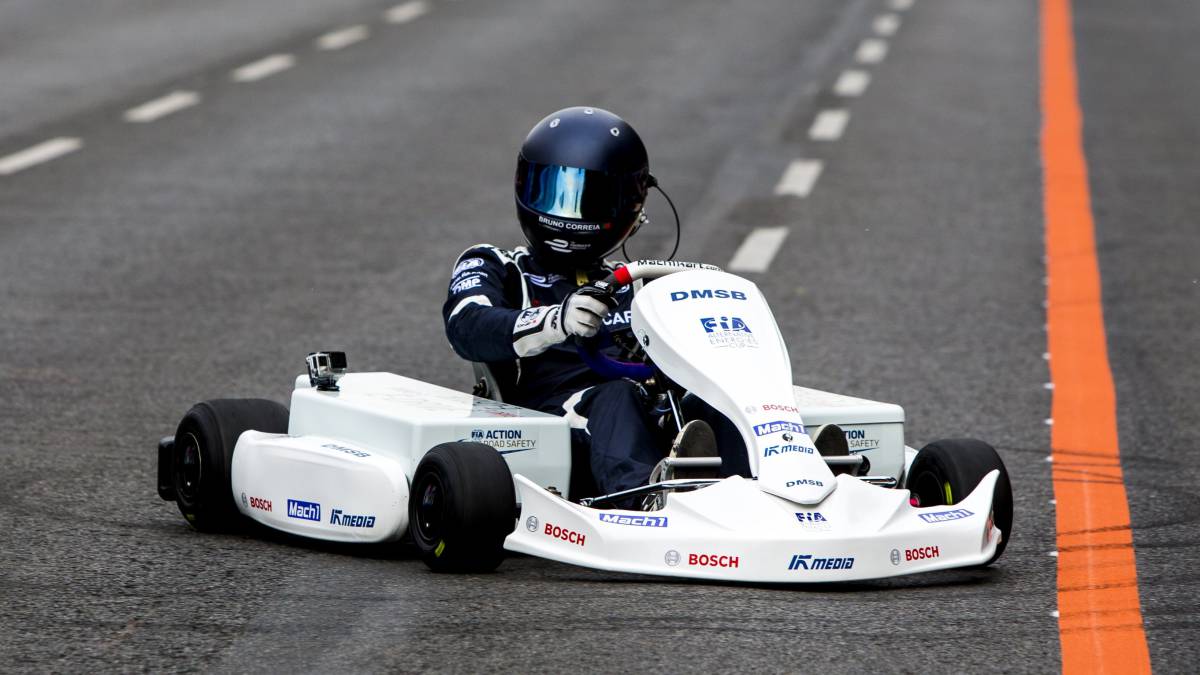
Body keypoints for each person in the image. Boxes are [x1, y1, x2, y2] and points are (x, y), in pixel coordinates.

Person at [442, 106, 747, 500]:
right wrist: (556, 320)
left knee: (714, 401)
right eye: (553, 192)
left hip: (648, 411)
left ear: (632, 204)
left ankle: (768, 489)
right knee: (615, 396)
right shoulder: (497, 265)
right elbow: (467, 326)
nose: (568, 213)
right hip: (548, 419)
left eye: (589, 198)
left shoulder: (642, 283)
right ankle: (644, 502)